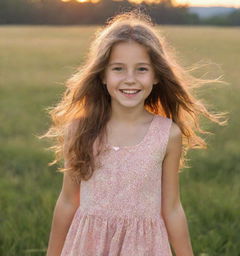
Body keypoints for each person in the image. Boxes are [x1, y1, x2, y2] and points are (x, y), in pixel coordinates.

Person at [41, 9, 228, 256]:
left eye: (141, 69)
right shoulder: (81, 128)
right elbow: (67, 201)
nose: (130, 79)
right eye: (118, 68)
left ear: (156, 76)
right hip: (88, 246)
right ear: (103, 76)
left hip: (143, 247)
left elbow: (171, 208)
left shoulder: (167, 134)